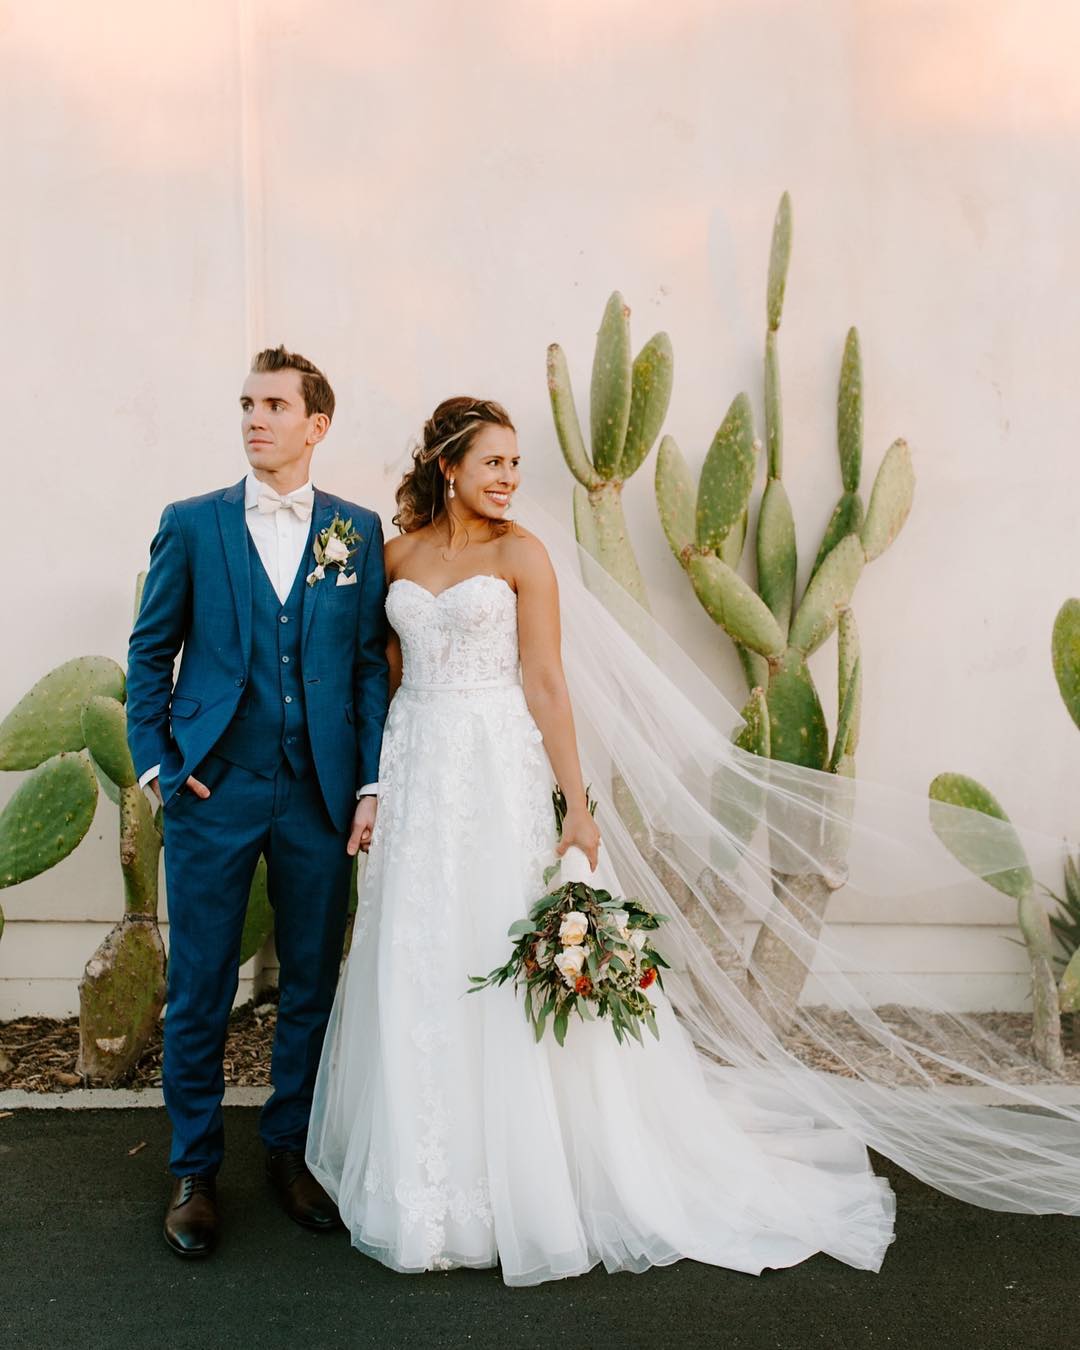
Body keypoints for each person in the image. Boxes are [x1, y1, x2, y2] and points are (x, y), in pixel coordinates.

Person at [305, 396, 900, 1284]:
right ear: (448, 465)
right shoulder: (395, 557)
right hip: (418, 768)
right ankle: (428, 1177)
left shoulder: (523, 557)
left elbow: (544, 682)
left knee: (496, 941)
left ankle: (529, 1176)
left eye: (517, 463)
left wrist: (577, 808)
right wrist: (376, 783)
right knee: (419, 951)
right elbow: (380, 682)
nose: (511, 478)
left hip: (497, 767)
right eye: (495, 461)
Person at [126, 346, 389, 1257]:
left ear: (316, 425)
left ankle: (288, 1151)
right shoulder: (192, 524)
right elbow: (148, 652)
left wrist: (367, 781)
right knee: (200, 986)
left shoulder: (356, 530)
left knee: (311, 982)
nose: (255, 419)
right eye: (246, 403)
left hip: (318, 792)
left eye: (275, 405)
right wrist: (160, 768)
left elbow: (363, 670)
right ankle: (195, 1169)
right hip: (215, 788)